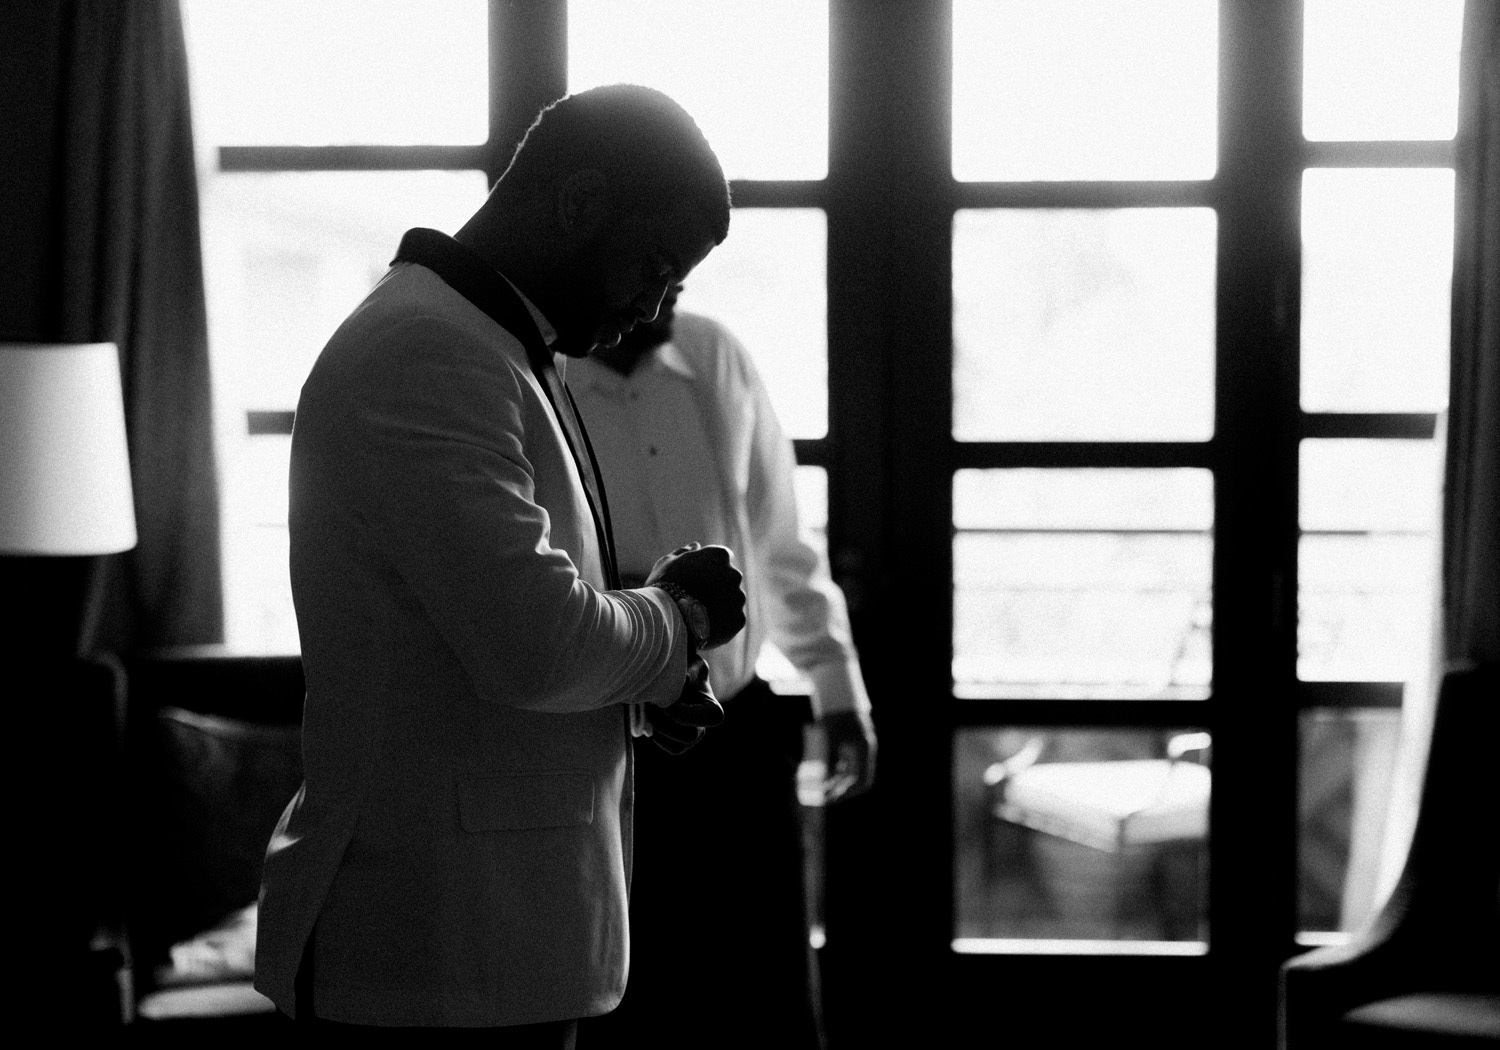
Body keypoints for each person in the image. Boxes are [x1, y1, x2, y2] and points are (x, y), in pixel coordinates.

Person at [253, 85, 748, 1045]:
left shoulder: (490, 347)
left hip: (482, 943)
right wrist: (678, 617)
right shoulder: (426, 352)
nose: (652, 307)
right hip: (431, 950)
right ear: (577, 204)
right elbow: (535, 644)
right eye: (652, 267)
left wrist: (645, 689)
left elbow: (463, 636)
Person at [572, 287, 878, 1049]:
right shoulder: (539, 379)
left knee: (770, 996)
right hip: (603, 759)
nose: (673, 289)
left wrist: (839, 687)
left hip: (740, 732)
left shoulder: (716, 355)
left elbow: (779, 537)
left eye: (682, 273)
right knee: (640, 1004)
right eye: (661, 264)